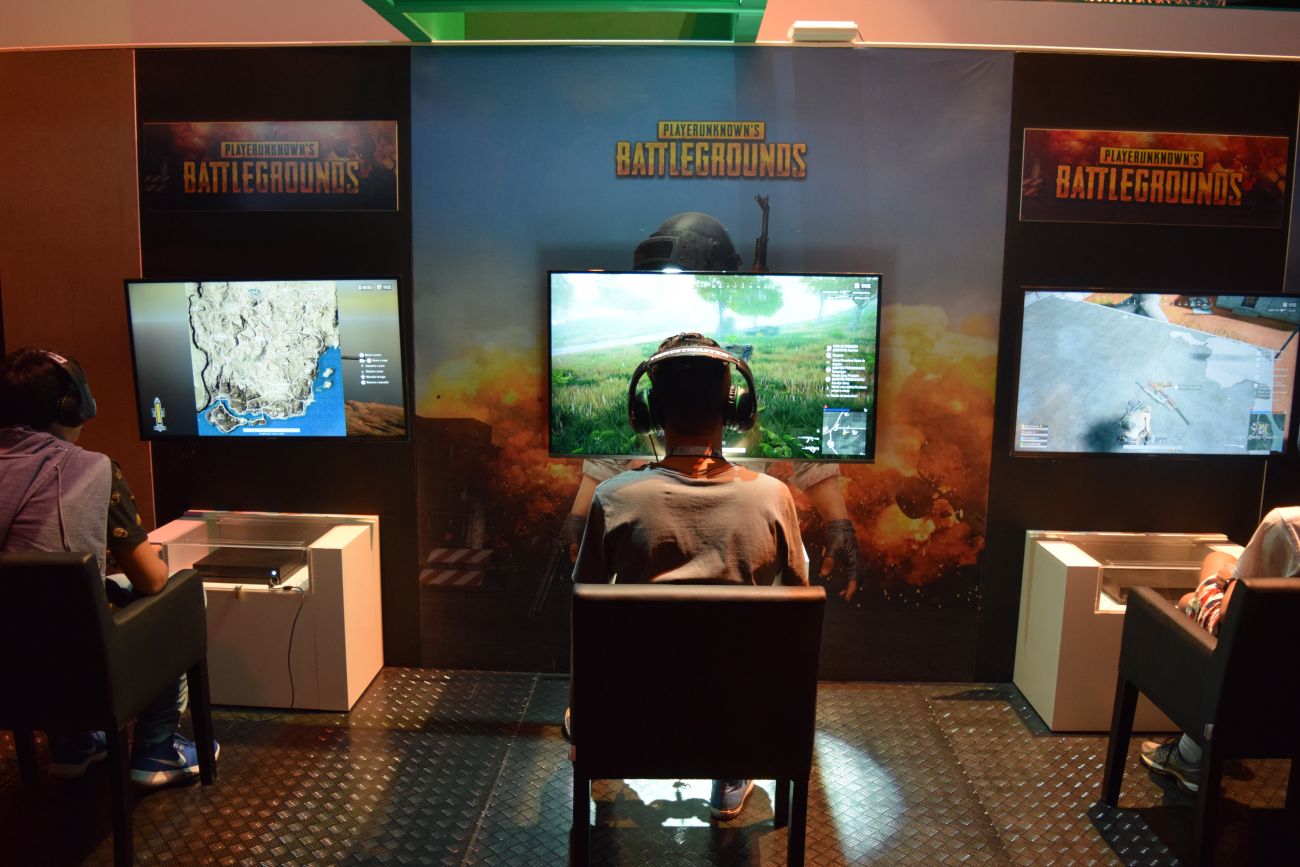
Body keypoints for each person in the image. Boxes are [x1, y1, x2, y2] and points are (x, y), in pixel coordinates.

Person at [571, 332, 810, 820]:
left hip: (636, 711)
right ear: (738, 410)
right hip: (742, 717)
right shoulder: (773, 496)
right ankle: (732, 767)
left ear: (648, 413)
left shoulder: (614, 497)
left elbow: (584, 618)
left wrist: (585, 714)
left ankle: (613, 756)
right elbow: (798, 611)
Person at [0, 348, 218, 786]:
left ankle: (73, 743)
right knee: (172, 593)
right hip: (79, 671)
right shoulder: (93, 470)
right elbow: (151, 579)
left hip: (10, 676)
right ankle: (156, 748)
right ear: (71, 406)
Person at [1139, 506, 1300, 792]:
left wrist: (1230, 580)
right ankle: (1199, 746)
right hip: (1287, 673)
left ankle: (1191, 755)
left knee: (1201, 584)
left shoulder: (1288, 523)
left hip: (1257, 658)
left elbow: (1232, 613)